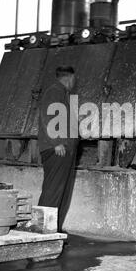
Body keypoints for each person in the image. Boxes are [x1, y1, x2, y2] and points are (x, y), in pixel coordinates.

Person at [38, 66, 79, 232]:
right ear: (69, 78)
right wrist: (56, 142)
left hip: (64, 150)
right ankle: (42, 230)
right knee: (53, 192)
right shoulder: (54, 92)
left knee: (62, 193)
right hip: (57, 150)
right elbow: (47, 117)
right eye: (74, 79)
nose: (74, 82)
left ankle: (54, 231)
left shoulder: (62, 95)